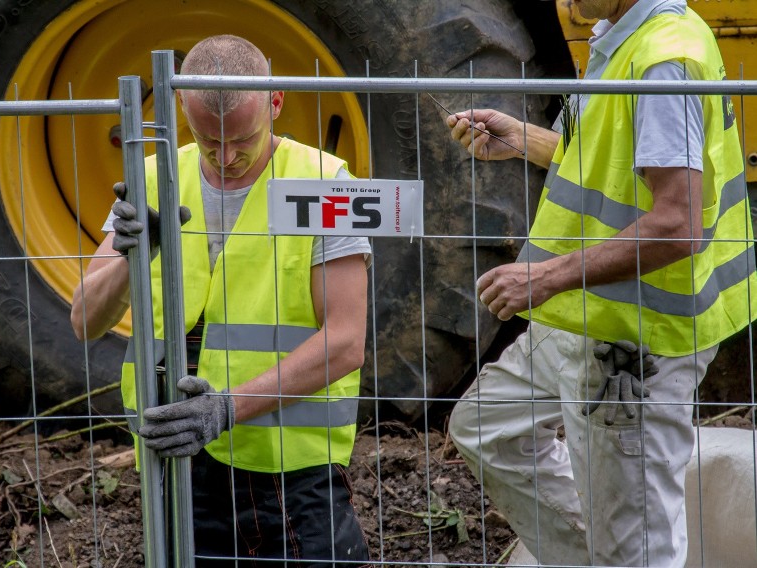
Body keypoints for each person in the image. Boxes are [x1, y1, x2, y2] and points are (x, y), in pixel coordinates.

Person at [445, 1, 757, 566]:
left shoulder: (663, 63)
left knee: (638, 549)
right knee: (485, 425)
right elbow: (613, 160)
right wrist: (523, 139)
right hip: (590, 313)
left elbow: (677, 224)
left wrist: (545, 276)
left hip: (638, 339)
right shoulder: (624, 37)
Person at [70, 34, 371, 567]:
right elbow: (85, 322)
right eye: (209, 141)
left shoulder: (325, 184)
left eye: (244, 139)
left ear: (276, 103)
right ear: (180, 110)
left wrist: (228, 407)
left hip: (290, 474)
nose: (227, 157)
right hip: (179, 462)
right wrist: (130, 254)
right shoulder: (154, 179)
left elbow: (346, 342)